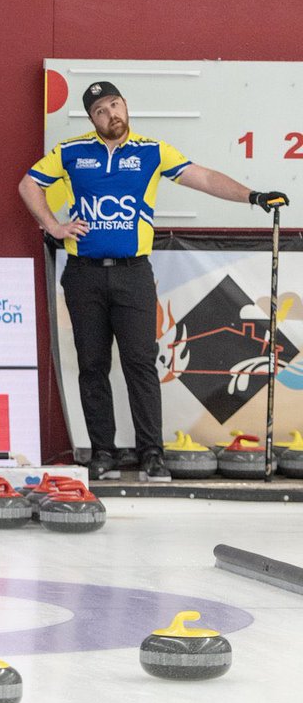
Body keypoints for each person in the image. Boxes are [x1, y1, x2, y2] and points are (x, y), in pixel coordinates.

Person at [19, 80, 289, 482]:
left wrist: (253, 196)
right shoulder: (71, 152)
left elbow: (204, 177)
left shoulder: (152, 151)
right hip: (83, 274)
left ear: (125, 105)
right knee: (92, 365)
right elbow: (28, 184)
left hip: (133, 274)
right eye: (100, 111)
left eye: (114, 105)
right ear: (92, 119)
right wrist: (53, 226)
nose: (110, 114)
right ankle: (102, 454)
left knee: (140, 364)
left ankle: (151, 454)